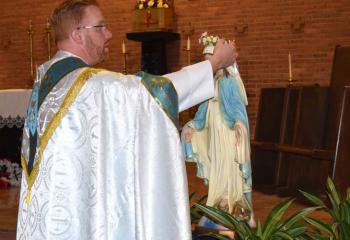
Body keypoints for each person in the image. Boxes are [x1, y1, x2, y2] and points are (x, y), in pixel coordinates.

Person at [16, 1, 238, 239]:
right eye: (101, 27)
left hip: (55, 210)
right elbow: (153, 95)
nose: (109, 34)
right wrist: (214, 63)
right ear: (77, 34)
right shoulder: (89, 84)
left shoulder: (48, 74)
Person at [181, 32, 256, 228]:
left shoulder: (229, 81)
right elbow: (202, 110)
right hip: (214, 132)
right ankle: (218, 201)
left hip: (227, 131)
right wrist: (193, 127)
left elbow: (237, 106)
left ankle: (231, 200)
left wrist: (240, 124)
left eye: (212, 61)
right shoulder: (210, 83)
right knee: (217, 166)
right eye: (207, 62)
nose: (210, 67)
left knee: (229, 165)